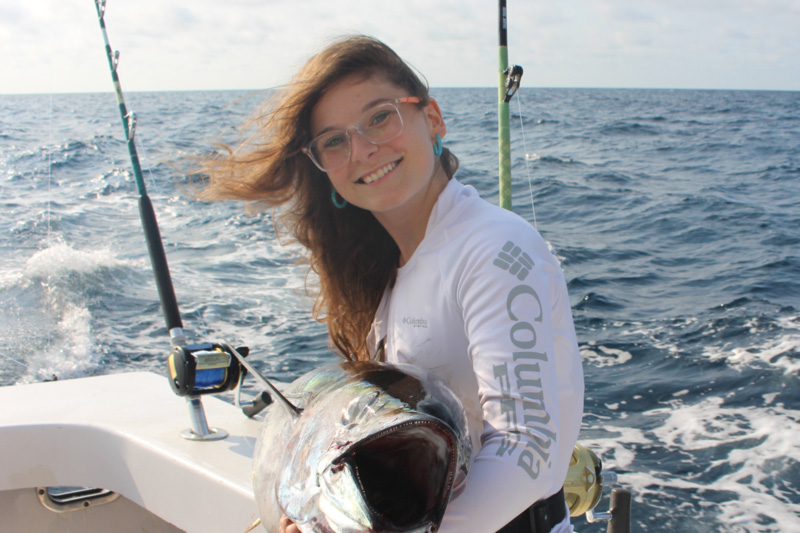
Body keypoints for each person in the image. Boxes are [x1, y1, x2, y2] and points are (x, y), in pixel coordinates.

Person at [200, 35, 584, 533]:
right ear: (323, 168)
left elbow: (529, 451)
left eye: (380, 116)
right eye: (334, 140)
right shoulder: (387, 272)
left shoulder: (494, 248)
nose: (362, 149)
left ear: (432, 118)